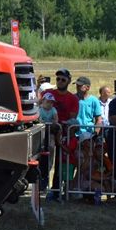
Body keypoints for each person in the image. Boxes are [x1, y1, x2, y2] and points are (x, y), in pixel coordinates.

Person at [46, 68, 79, 200]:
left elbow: (72, 117)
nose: (60, 81)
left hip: (63, 134)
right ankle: (42, 187)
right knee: (45, 162)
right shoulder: (48, 93)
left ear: (69, 81)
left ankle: (55, 189)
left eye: (63, 79)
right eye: (58, 78)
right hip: (46, 133)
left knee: (60, 164)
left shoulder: (72, 99)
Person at [36, 92, 59, 192]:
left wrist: (52, 125)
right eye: (48, 101)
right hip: (40, 136)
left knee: (50, 155)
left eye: (51, 102)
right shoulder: (39, 110)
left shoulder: (53, 110)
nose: (50, 104)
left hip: (50, 135)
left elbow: (56, 121)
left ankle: (47, 176)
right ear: (43, 101)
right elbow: (38, 121)